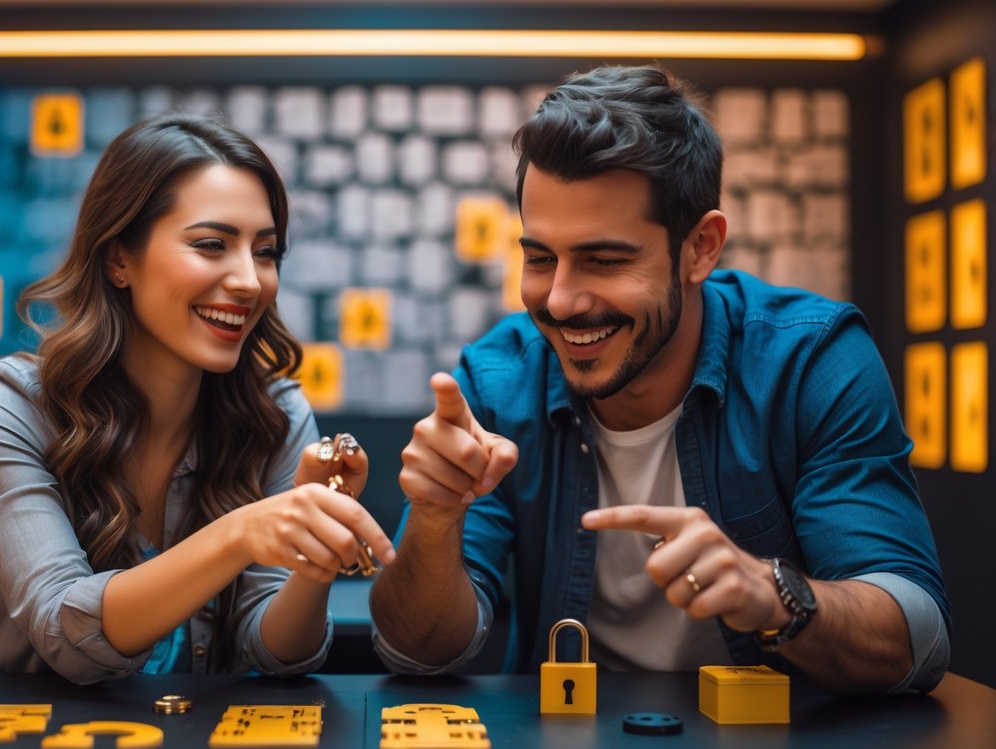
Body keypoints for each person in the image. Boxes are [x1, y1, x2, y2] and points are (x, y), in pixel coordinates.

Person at [370, 64, 950, 695]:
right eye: (539, 258)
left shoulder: (811, 360)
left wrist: (775, 596)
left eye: (604, 260)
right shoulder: (496, 379)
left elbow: (917, 637)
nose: (560, 301)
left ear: (701, 247)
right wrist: (433, 519)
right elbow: (415, 650)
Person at [0, 113, 394, 684]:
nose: (249, 280)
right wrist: (240, 534)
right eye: (211, 245)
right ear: (118, 260)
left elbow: (283, 654)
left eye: (265, 252)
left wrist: (313, 557)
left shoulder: (277, 414)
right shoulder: (6, 406)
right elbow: (67, 634)